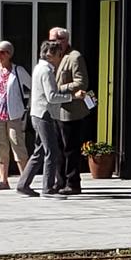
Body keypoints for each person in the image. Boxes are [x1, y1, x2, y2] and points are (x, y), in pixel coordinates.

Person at [17, 41, 85, 197]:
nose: (60, 58)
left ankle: (23, 184)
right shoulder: (46, 71)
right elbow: (52, 97)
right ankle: (47, 188)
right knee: (52, 151)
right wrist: (73, 97)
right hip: (44, 114)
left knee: (39, 151)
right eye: (58, 55)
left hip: (37, 113)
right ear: (50, 55)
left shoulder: (38, 68)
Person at [0, 40, 32, 191]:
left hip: (14, 115)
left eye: (2, 52)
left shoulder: (18, 71)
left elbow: (33, 87)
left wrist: (28, 106)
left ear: (9, 54)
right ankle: (3, 181)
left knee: (18, 146)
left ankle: (24, 182)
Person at [49, 27, 91, 196]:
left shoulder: (75, 57)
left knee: (70, 149)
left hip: (71, 112)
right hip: (56, 110)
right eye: (51, 40)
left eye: (55, 40)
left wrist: (58, 88)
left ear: (64, 40)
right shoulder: (53, 56)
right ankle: (60, 182)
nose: (53, 43)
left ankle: (73, 183)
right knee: (58, 149)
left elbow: (81, 83)